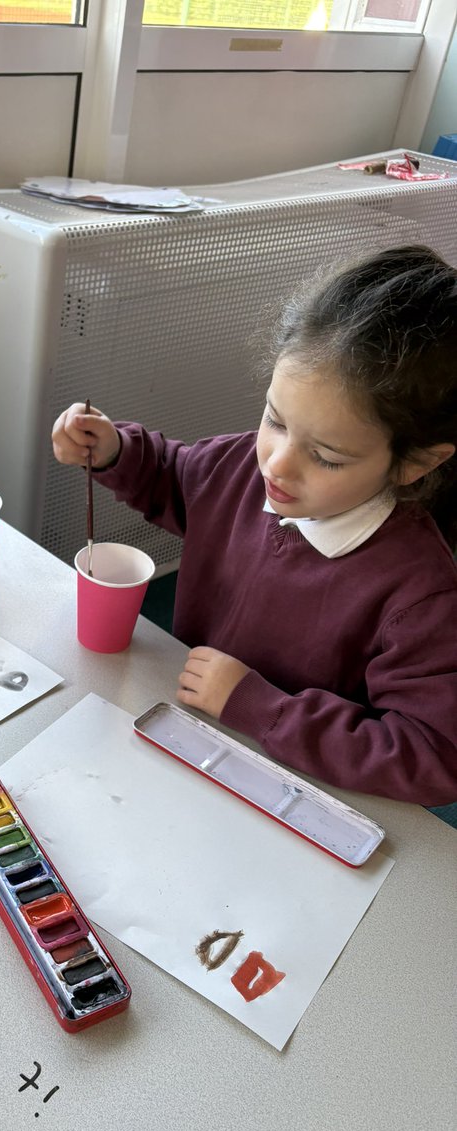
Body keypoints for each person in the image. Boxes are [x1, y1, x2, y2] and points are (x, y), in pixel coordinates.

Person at [52, 245, 457, 806]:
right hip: (179, 731)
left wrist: (262, 706)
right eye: (274, 419)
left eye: (328, 456)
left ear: (416, 463)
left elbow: (432, 754)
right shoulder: (243, 464)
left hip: (286, 787)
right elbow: (177, 479)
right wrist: (115, 448)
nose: (277, 463)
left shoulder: (419, 593)